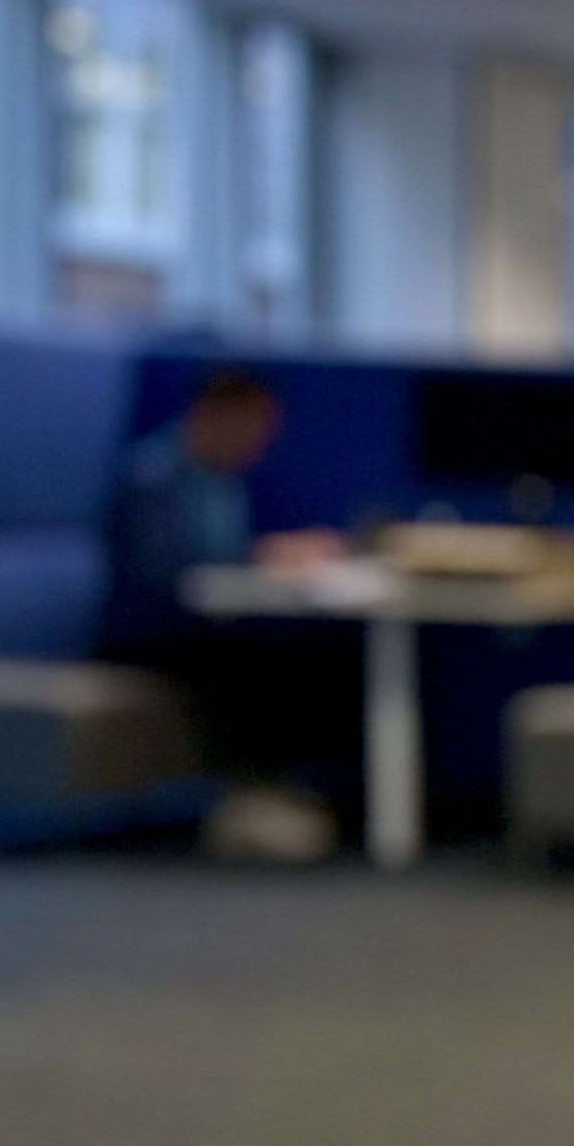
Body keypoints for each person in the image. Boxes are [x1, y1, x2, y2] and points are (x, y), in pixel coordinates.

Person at [99, 368, 350, 861]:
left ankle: (277, 792)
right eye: (251, 429)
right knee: (253, 665)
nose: (257, 444)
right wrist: (260, 558)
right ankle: (251, 798)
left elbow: (223, 561)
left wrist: (270, 556)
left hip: (207, 632)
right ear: (212, 416)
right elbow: (167, 577)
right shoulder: (152, 479)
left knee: (315, 658)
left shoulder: (224, 482)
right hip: (148, 636)